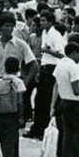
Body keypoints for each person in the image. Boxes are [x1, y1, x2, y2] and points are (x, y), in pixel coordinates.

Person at [26, 11, 65, 140]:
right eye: (41, 21)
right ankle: (37, 127)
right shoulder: (44, 33)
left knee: (47, 99)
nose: (42, 23)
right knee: (39, 100)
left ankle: (44, 129)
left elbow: (60, 54)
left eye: (44, 21)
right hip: (44, 66)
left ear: (50, 22)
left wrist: (48, 50)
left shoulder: (55, 35)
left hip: (52, 68)